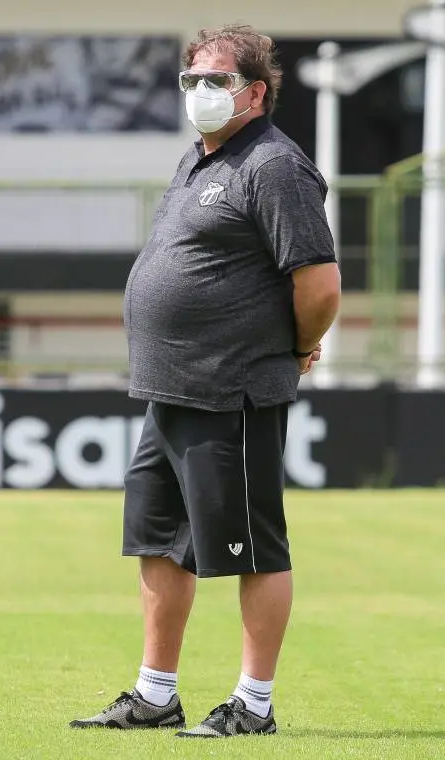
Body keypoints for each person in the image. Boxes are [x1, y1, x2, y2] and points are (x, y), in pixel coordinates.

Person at [69, 24, 341, 738]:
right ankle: (156, 694)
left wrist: (301, 345)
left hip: (233, 390)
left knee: (255, 547)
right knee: (158, 541)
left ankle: (254, 705)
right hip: (172, 391)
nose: (200, 92)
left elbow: (319, 283)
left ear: (254, 91)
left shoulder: (275, 166)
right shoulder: (198, 160)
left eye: (216, 80)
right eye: (193, 80)